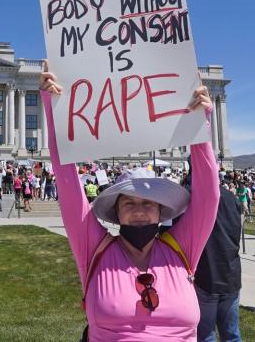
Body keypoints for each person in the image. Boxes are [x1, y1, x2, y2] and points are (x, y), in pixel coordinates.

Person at [41, 63, 219, 341]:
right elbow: (67, 185)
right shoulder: (94, 249)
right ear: (117, 211)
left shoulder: (182, 248)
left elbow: (209, 196)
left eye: (148, 204)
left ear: (161, 210)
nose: (139, 211)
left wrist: (199, 127)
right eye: (129, 203)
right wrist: (54, 110)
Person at [193, 177, 243, 342]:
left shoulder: (194, 197)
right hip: (230, 271)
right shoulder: (231, 197)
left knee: (206, 334)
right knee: (232, 333)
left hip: (206, 273)